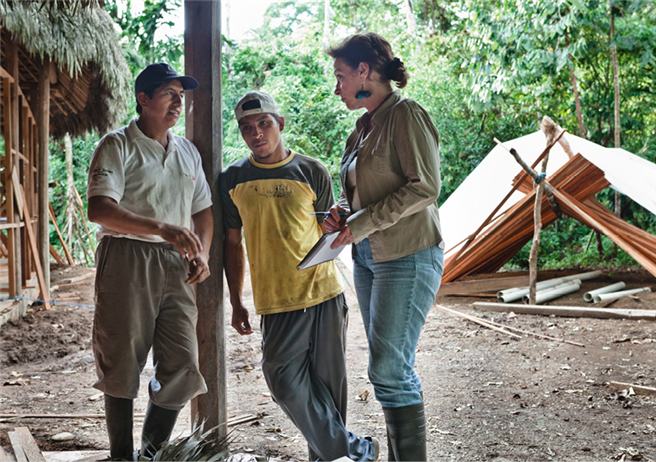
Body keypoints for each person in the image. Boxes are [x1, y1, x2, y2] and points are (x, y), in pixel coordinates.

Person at [220, 91, 378, 461]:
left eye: (264, 124)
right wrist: (236, 301)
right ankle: (357, 451)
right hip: (276, 301)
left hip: (323, 293)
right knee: (284, 382)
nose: (256, 133)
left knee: (327, 391)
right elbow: (231, 244)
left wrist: (334, 222)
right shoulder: (233, 179)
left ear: (280, 124)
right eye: (247, 128)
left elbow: (329, 229)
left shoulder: (310, 170)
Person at [325, 33, 444, 461]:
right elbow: (360, 194)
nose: (336, 85)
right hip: (369, 258)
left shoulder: (405, 115)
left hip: (409, 255)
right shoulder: (362, 127)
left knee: (389, 368)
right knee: (387, 368)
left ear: (364, 72)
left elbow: (426, 186)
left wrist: (363, 222)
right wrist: (340, 213)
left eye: (340, 75)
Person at [87, 63, 213, 460]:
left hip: (177, 263)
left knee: (182, 362)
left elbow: (204, 211)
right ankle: (122, 455)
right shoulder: (117, 144)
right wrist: (162, 227)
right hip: (127, 256)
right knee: (122, 359)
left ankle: (151, 452)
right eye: (169, 93)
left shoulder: (187, 151)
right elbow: (99, 209)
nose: (179, 101)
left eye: (181, 94)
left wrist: (202, 252)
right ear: (143, 99)